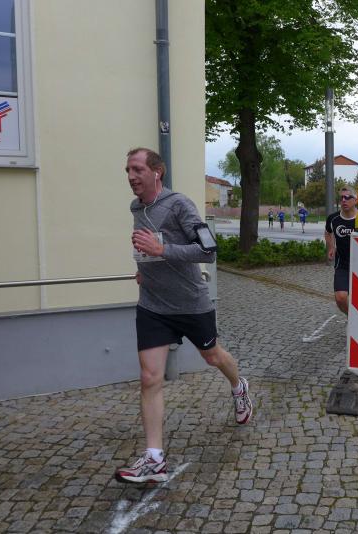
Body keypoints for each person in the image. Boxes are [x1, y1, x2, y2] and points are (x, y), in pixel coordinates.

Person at [115, 147, 253, 484]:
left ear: (156, 172)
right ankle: (154, 459)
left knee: (212, 356)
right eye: (128, 170)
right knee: (150, 377)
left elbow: (208, 250)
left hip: (191, 303)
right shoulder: (136, 207)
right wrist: (145, 267)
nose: (131, 176)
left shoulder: (179, 204)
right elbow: (147, 246)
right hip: (153, 305)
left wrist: (162, 250)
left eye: (137, 169)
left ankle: (239, 387)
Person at [324, 186, 358, 314]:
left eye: (348, 197)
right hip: (342, 264)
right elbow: (328, 232)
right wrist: (331, 247)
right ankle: (352, 318)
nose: (344, 200)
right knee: (340, 298)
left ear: (356, 200)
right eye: (342, 198)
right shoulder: (333, 218)